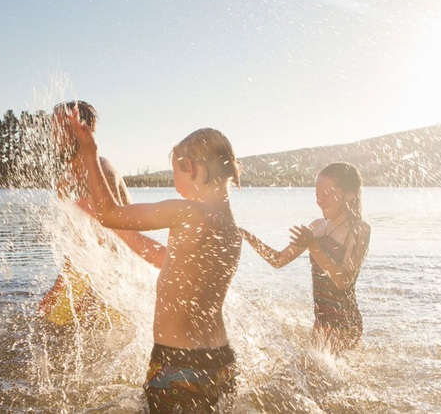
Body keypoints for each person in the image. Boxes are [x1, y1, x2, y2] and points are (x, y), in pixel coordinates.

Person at [67, 110, 241, 413]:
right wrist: (110, 223)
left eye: (175, 172)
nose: (175, 183)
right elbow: (164, 258)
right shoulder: (230, 227)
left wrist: (90, 153)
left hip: (179, 363)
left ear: (189, 166)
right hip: (221, 362)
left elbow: (109, 212)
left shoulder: (187, 212)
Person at [240, 162, 370, 353]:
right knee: (312, 376)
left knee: (328, 378)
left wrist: (313, 245)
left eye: (326, 194)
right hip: (321, 320)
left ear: (349, 195)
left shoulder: (359, 230)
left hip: (344, 322)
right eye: (317, 195)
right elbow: (278, 260)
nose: (320, 200)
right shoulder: (317, 227)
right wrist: (245, 234)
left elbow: (343, 281)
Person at [37, 101, 131, 331]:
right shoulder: (65, 182)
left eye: (62, 128)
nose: (54, 136)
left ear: (83, 130)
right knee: (46, 321)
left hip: (115, 276)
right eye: (53, 129)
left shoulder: (102, 172)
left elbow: (114, 243)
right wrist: (59, 286)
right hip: (86, 271)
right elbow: (78, 242)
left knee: (67, 328)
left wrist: (90, 293)